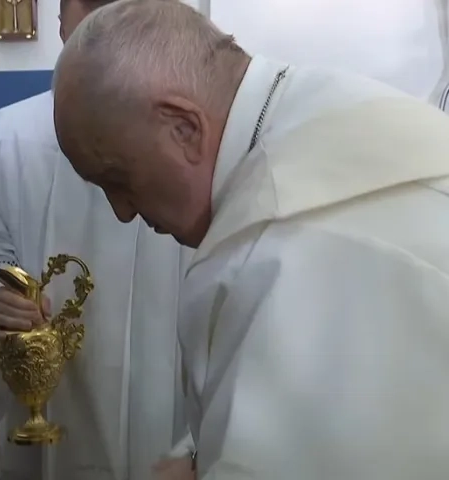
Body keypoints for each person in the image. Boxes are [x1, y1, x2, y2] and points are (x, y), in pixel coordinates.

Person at [53, 0, 449, 478]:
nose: (122, 211)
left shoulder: (297, 249)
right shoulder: (328, 104)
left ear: (184, 127)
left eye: (118, 178)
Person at [0, 1, 195, 479]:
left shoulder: (194, 136)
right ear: (62, 21)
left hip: (177, 425)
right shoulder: (11, 137)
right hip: (49, 424)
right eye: (88, 9)